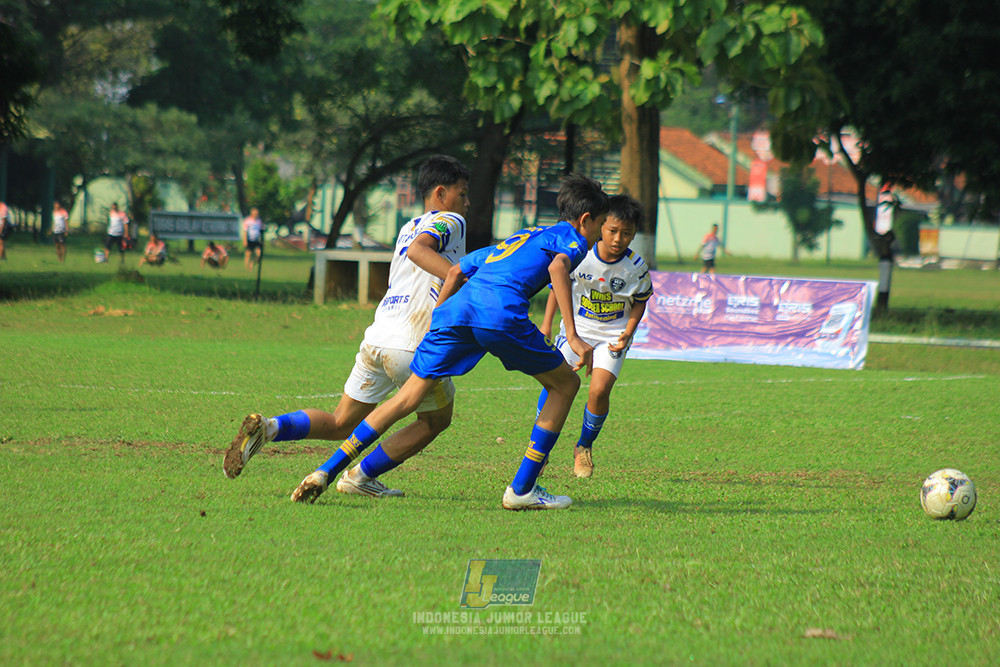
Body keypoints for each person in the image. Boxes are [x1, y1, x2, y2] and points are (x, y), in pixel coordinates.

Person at [290, 173, 610, 511]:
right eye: (601, 226)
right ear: (585, 220)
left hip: (456, 311)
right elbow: (559, 267)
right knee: (566, 385)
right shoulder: (572, 239)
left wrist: (438, 319)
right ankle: (523, 488)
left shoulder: (522, 237)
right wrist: (571, 335)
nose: (599, 236)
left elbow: (456, 272)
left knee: (407, 398)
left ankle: (326, 470)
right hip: (500, 312)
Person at [223, 155, 471, 500]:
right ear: (441, 193)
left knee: (341, 421)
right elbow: (420, 251)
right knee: (435, 421)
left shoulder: (407, 225)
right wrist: (459, 279)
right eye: (462, 193)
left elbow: (413, 254)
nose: (467, 203)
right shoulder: (452, 220)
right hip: (416, 342)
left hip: (379, 336)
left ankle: (271, 427)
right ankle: (360, 476)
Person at [537, 194, 653, 478]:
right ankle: (540, 451)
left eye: (627, 233)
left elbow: (640, 300)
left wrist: (628, 332)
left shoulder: (636, 268)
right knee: (555, 384)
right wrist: (547, 325)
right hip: (576, 332)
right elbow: (557, 286)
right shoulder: (581, 255)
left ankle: (584, 447)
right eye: (613, 230)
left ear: (634, 233)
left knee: (599, 390)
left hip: (612, 335)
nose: (618, 238)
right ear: (601, 226)